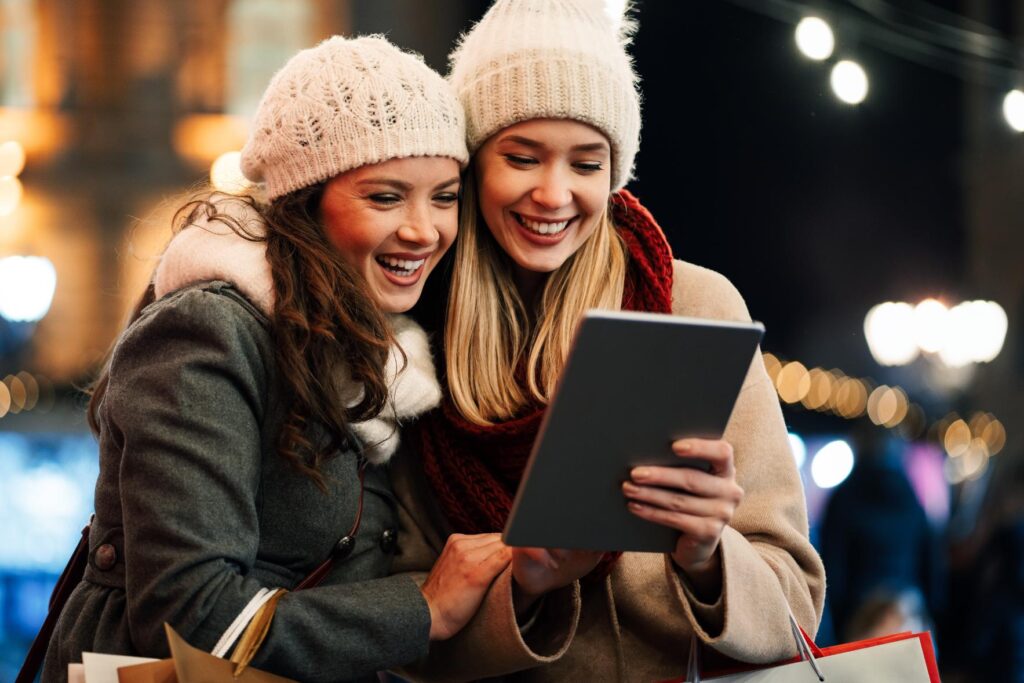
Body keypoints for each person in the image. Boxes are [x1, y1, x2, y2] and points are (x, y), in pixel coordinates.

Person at [40, 35, 512, 683]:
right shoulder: (208, 327)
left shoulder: (377, 345)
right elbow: (188, 615)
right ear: (305, 202)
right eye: (384, 196)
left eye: (445, 196)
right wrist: (422, 607)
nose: (423, 229)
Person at [389, 1, 826, 680]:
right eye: (522, 157)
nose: (554, 193)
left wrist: (708, 552)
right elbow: (406, 633)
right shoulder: (418, 339)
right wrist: (525, 587)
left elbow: (796, 603)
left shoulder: (696, 306)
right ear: (472, 164)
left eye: (586, 164)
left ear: (615, 172)